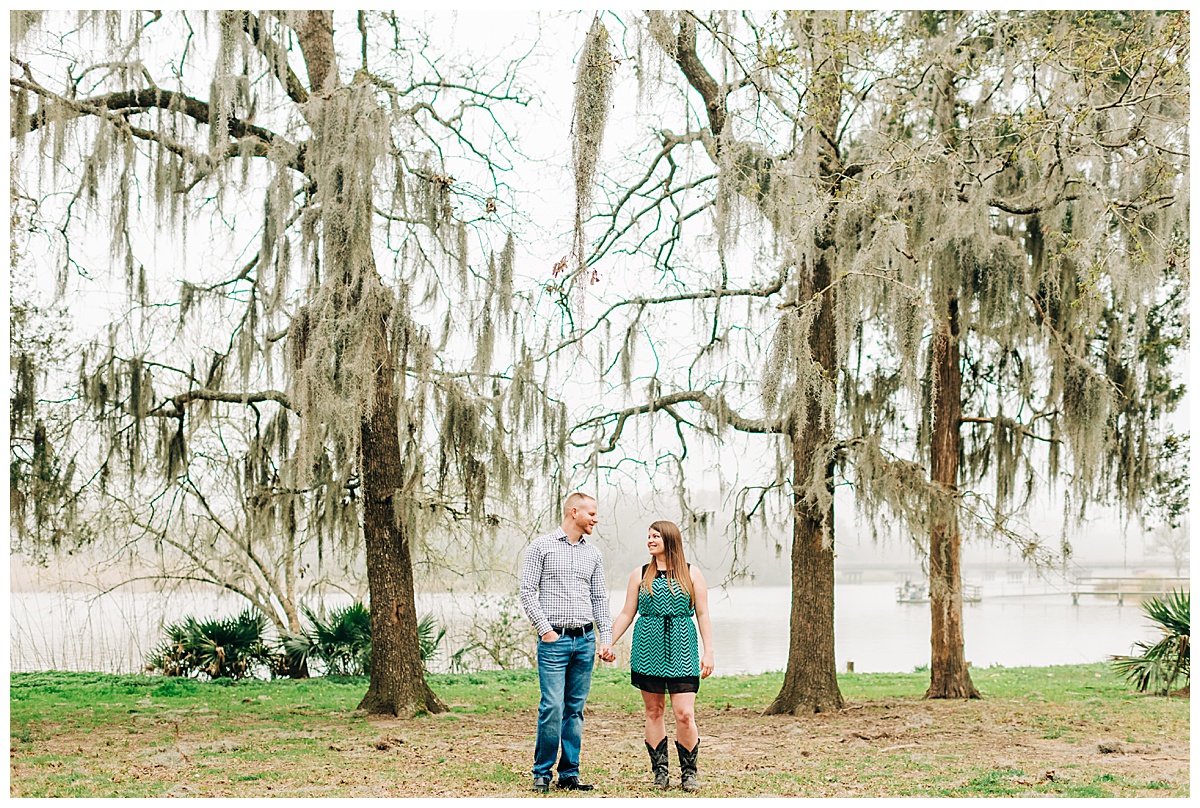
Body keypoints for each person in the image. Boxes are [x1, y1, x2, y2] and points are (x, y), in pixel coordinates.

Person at [518, 492, 615, 793]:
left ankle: (569, 774)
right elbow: (526, 591)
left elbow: (599, 598)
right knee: (552, 706)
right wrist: (545, 630)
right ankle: (542, 773)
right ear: (574, 512)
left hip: (585, 641)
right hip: (554, 641)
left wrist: (606, 639)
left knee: (575, 709)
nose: (595, 519)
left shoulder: (593, 554)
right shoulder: (541, 547)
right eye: (591, 514)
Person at [610, 520, 713, 792]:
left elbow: (702, 613)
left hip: (682, 647)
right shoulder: (640, 574)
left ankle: (689, 772)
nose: (650, 540)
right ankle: (660, 772)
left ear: (670, 539)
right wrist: (608, 641)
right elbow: (626, 613)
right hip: (647, 647)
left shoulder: (691, 574)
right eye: (649, 536)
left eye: (656, 536)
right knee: (654, 711)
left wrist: (709, 652)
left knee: (684, 714)